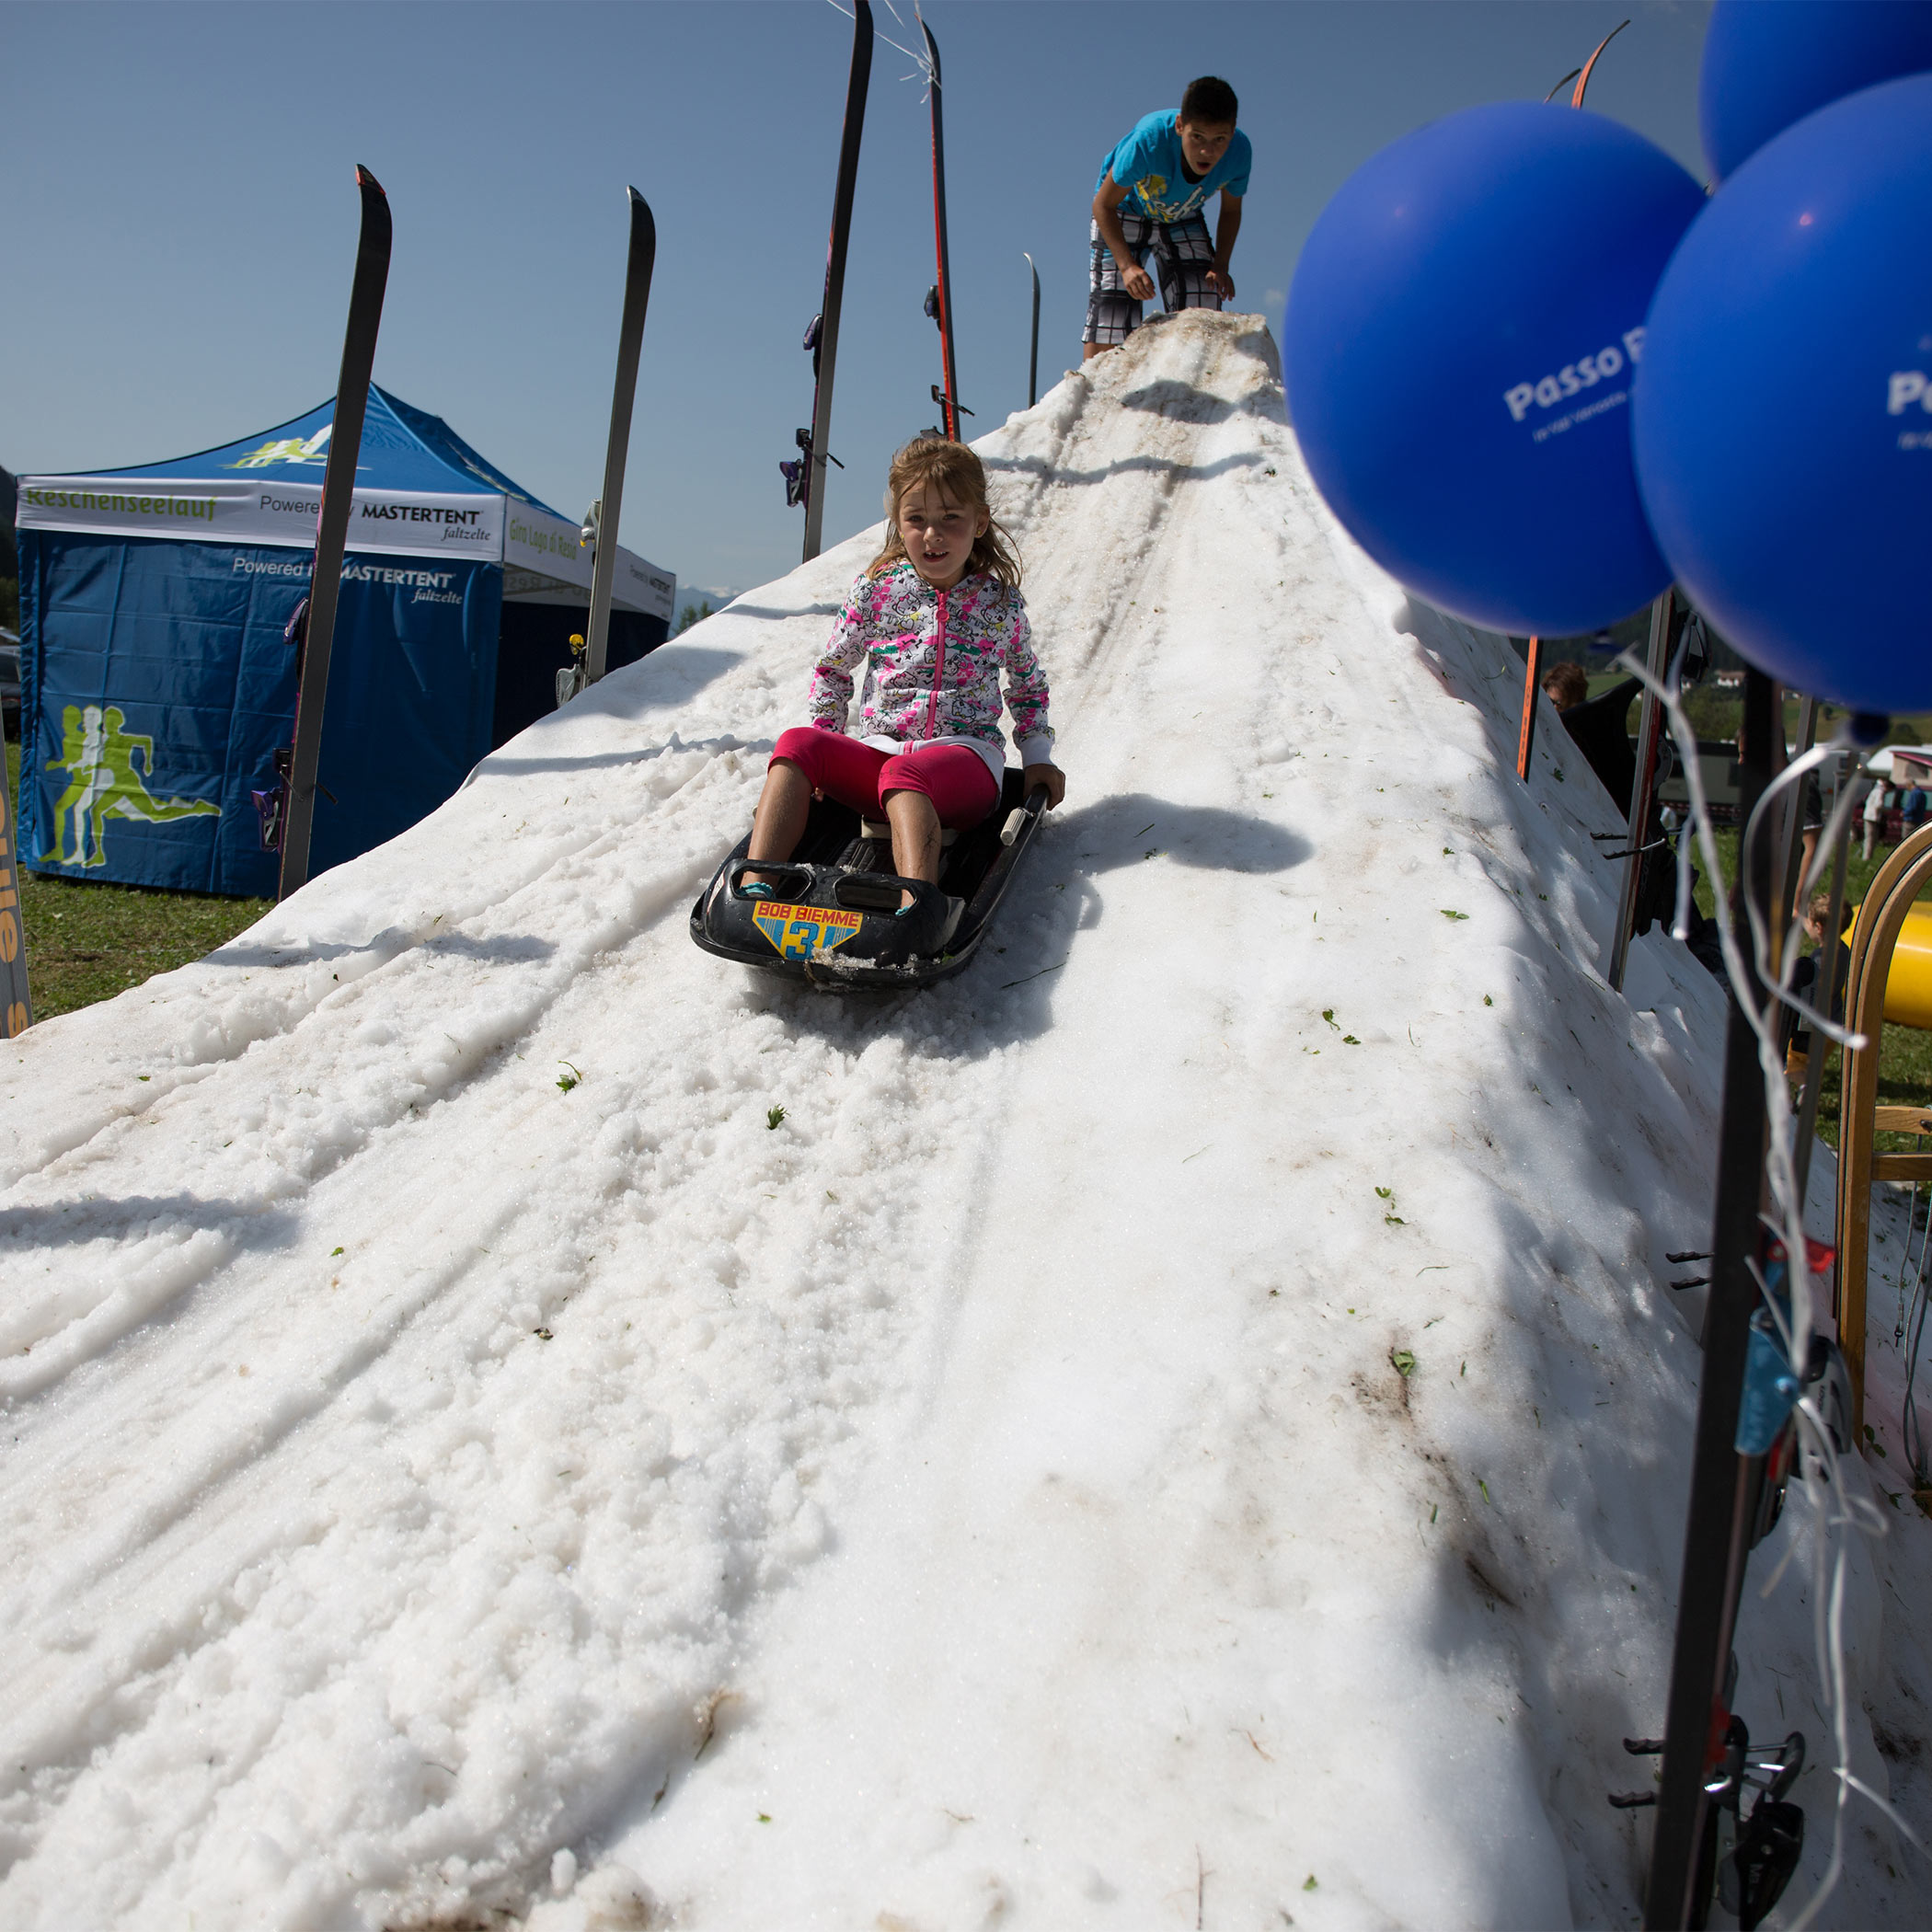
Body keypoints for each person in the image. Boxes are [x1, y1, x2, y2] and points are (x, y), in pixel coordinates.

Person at [742, 437, 1066, 936]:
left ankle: (918, 905)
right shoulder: (878, 587)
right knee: (798, 744)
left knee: (906, 775)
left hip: (965, 761)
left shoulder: (997, 603)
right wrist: (828, 734)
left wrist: (1038, 756)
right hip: (881, 755)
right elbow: (834, 667)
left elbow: (1025, 684)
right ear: (899, 521)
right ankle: (757, 883)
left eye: (950, 518)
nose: (932, 535)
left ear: (979, 522)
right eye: (916, 519)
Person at [1086, 76, 1250, 361]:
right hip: (1124, 210)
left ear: (1232, 134)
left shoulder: (1238, 154)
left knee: (1205, 304)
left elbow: (1231, 211)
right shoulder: (1149, 142)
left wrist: (1221, 264)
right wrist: (1127, 266)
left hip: (1181, 214)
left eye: (1219, 140)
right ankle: (1090, 397)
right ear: (1179, 126)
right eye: (1197, 137)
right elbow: (1102, 205)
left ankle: (1190, 391)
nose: (1206, 151)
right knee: (1111, 317)